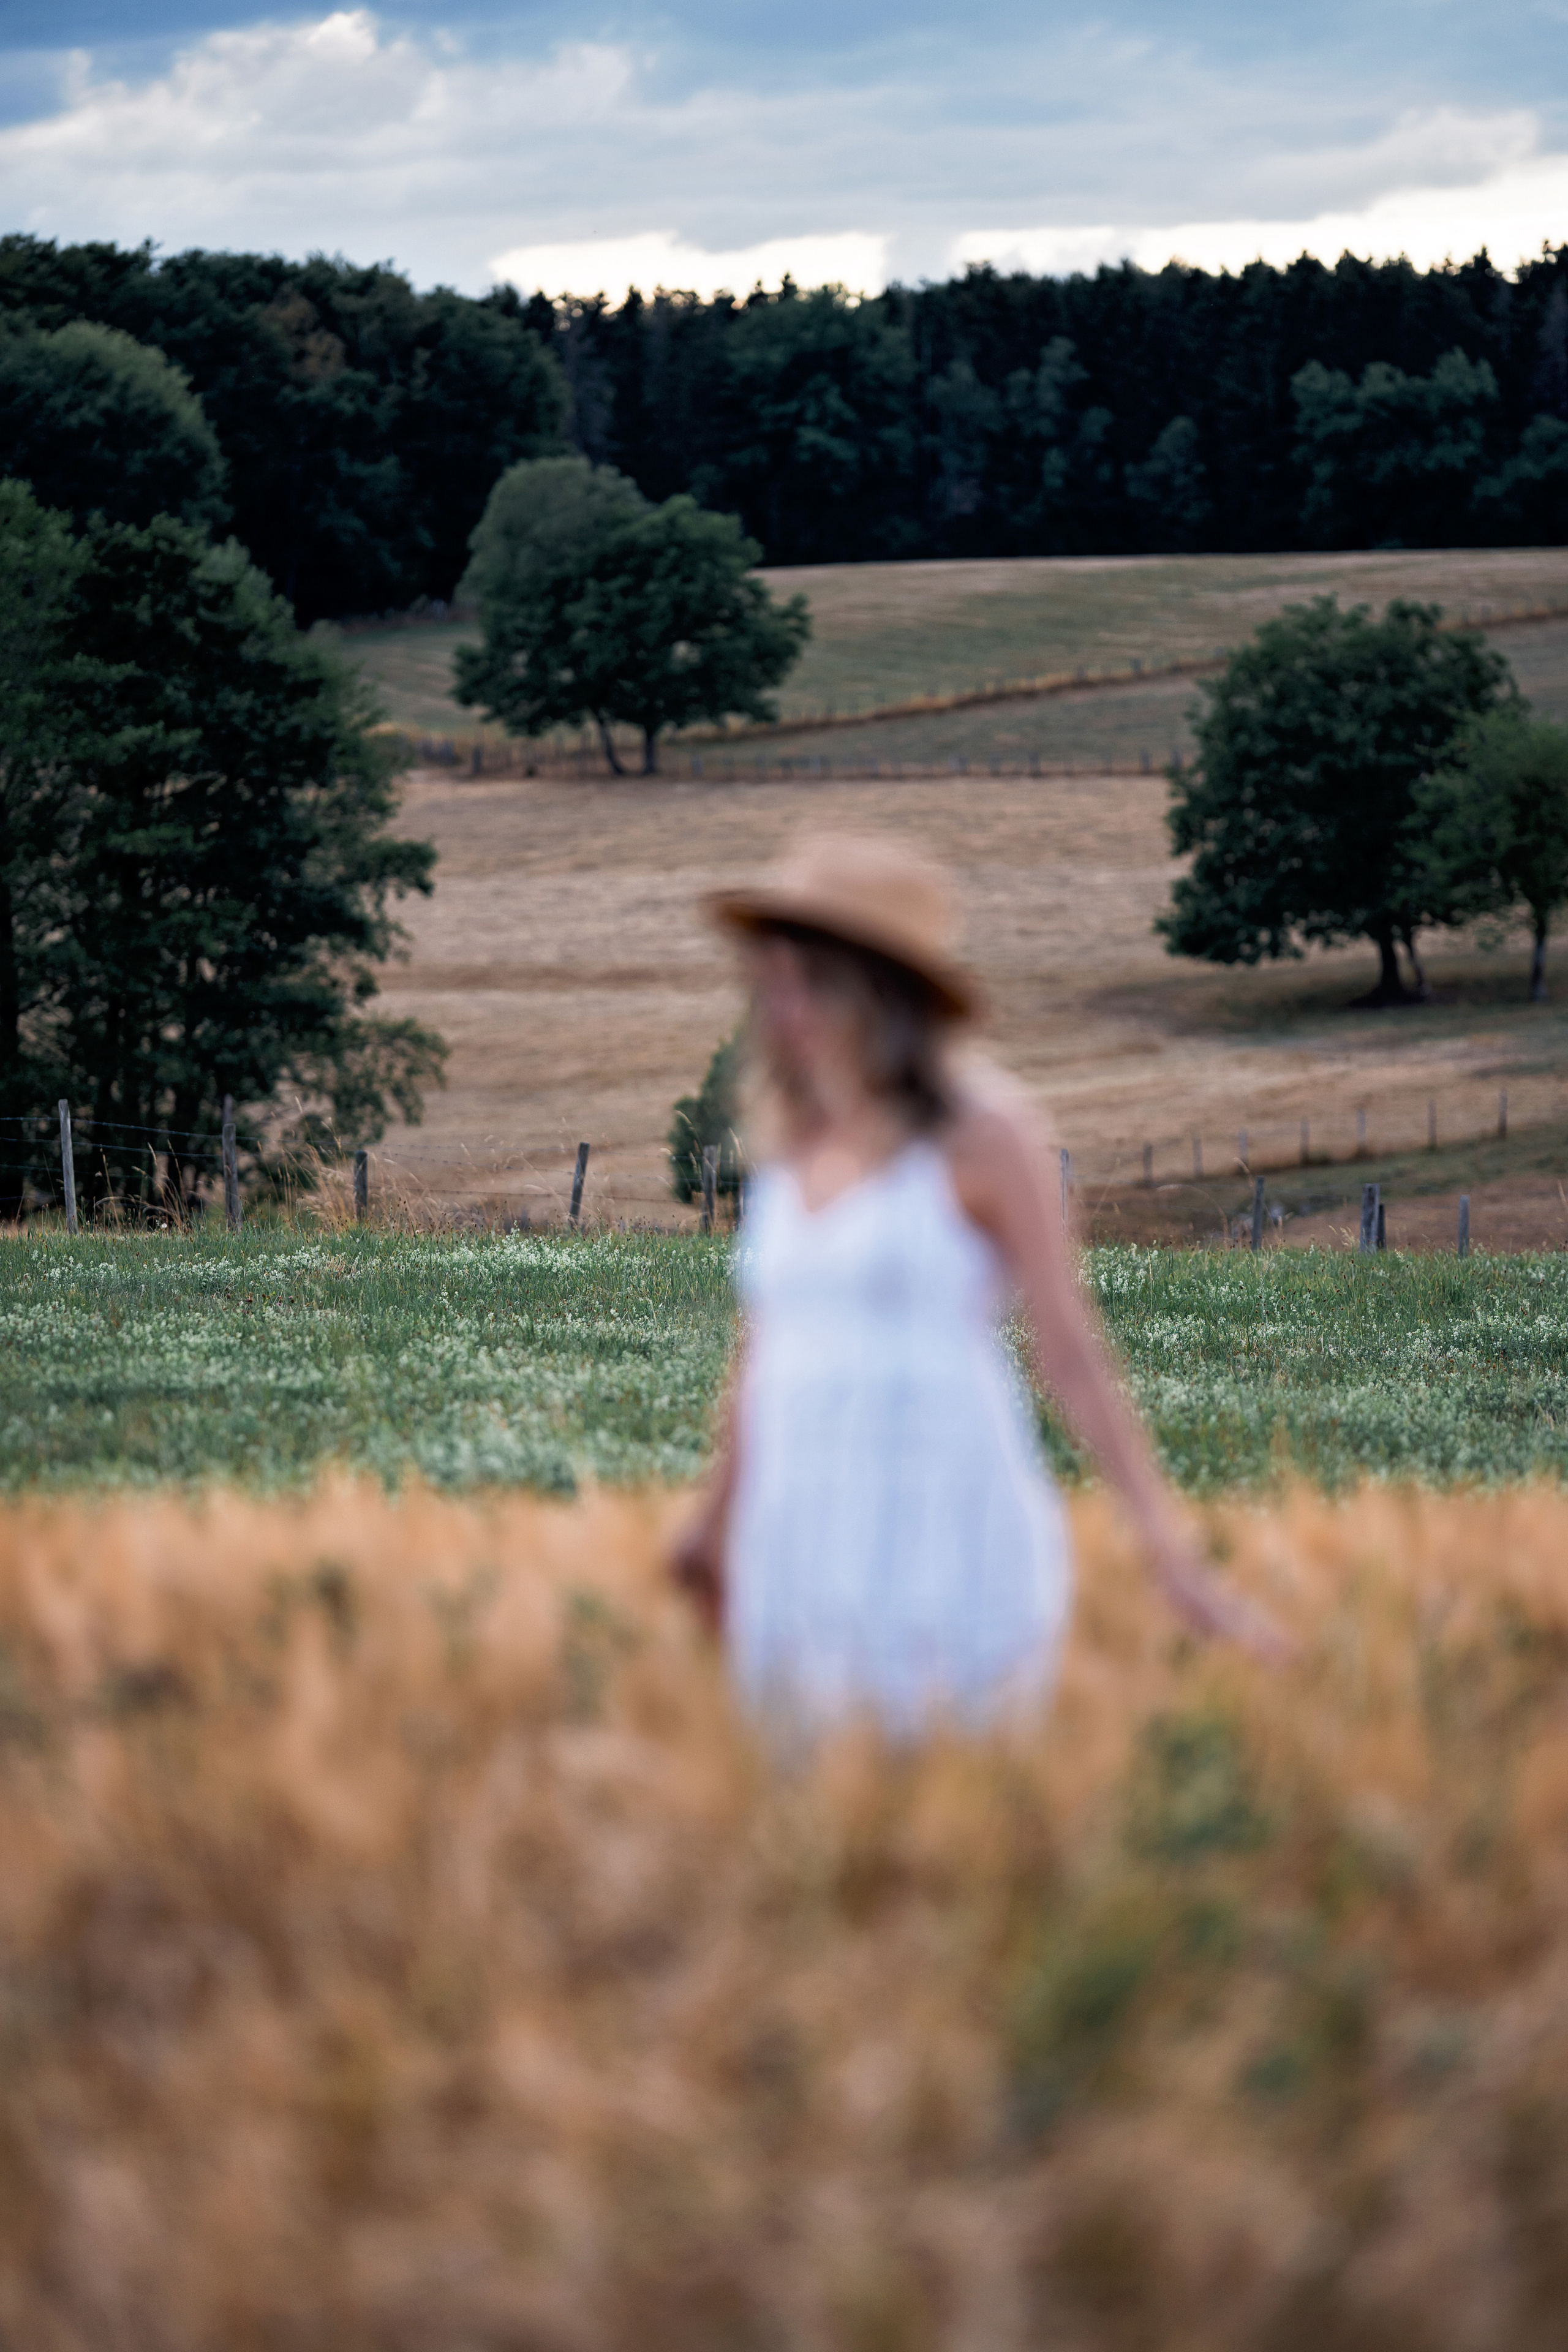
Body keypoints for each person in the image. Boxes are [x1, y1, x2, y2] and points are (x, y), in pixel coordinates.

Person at [672, 829, 1283, 1740]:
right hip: (796, 1524)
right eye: (774, 980)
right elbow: (764, 1349)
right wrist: (712, 1523)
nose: (784, 1009)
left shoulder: (986, 1136)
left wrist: (1170, 1552)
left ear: (883, 996)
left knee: (950, 1815)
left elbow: (1068, 1346)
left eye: (814, 982)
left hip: (939, 1518)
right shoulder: (790, 1142)